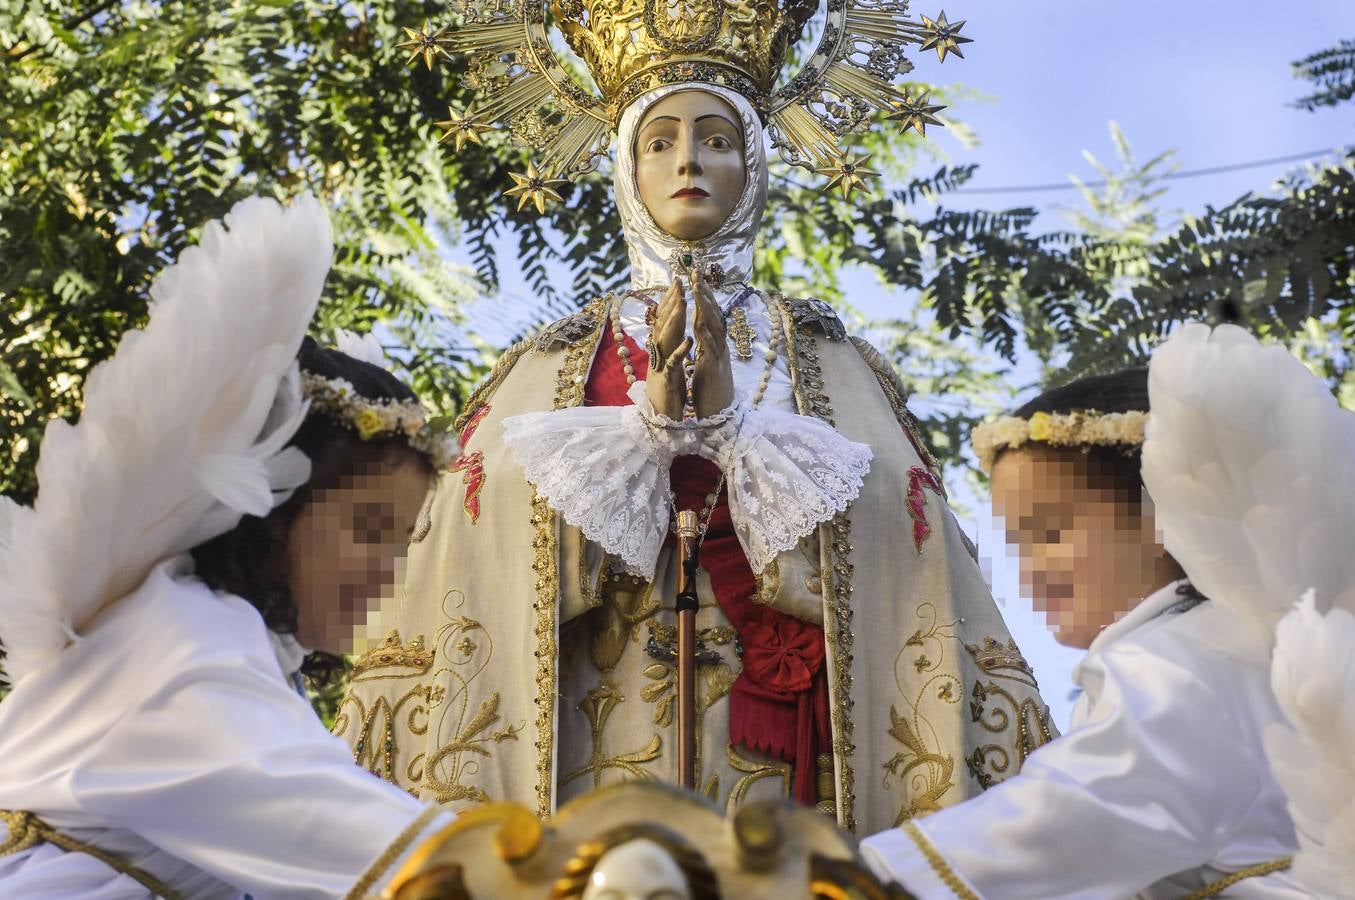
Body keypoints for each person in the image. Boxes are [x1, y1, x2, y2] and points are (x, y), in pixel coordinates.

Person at [336, 1, 1052, 833]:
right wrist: (639, 442)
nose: (688, 162)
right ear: (624, 167)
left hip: (795, 767)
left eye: (716, 139)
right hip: (584, 751)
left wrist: (736, 441)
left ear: (754, 162)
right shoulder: (547, 363)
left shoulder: (832, 360)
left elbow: (909, 543)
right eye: (659, 141)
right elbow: (471, 547)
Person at [0, 195, 456, 899]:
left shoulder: (228, 644)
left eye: (404, 542)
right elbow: (353, 839)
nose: (391, 571)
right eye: (368, 530)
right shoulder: (180, 642)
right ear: (271, 513)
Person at [860, 342, 1310, 897]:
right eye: (1019, 545)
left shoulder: (1187, 654)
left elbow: (1086, 810)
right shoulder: (1243, 647)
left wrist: (865, 877)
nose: (1031, 570)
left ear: (1167, 514)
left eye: (1050, 533)